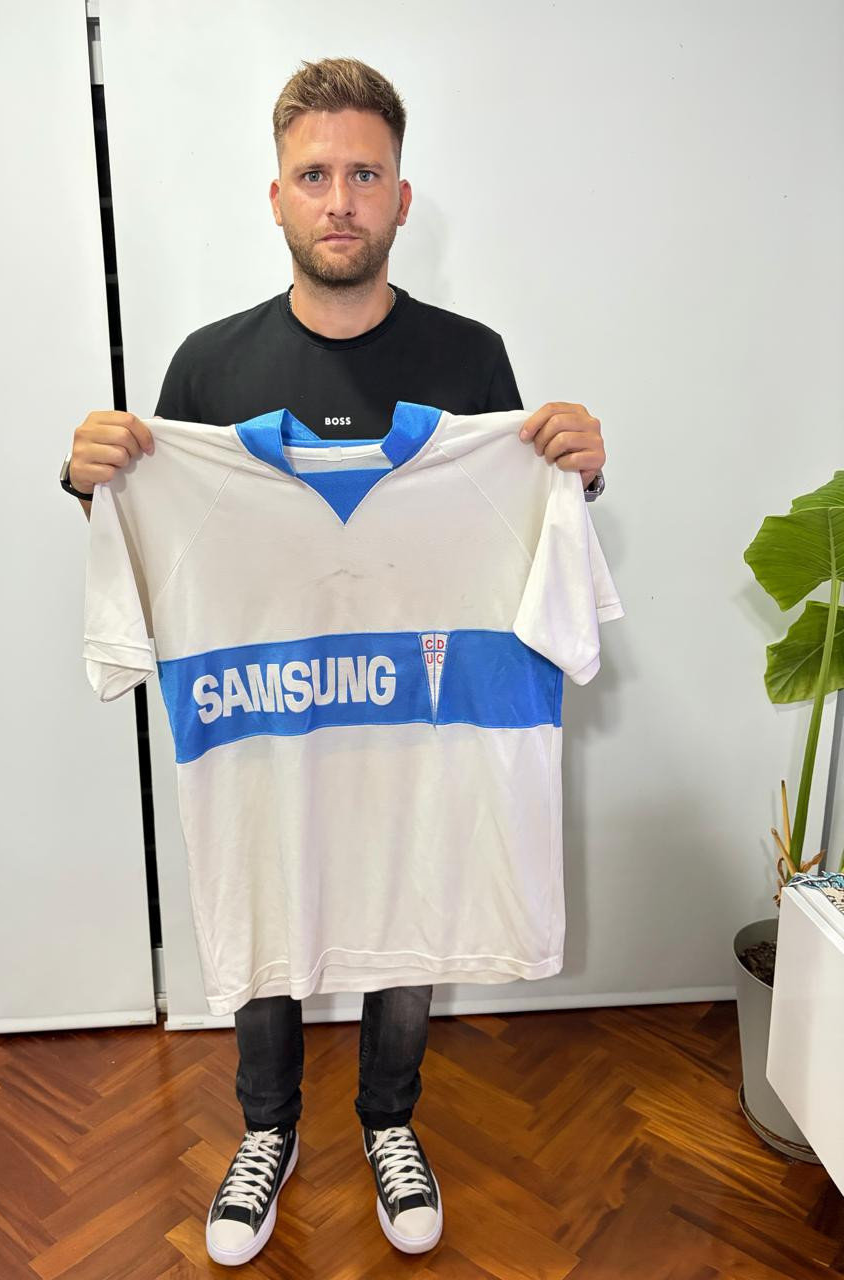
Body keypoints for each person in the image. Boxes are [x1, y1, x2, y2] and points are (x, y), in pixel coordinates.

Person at [64, 57, 607, 1267]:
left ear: (402, 197)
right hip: (267, 715)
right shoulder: (207, 369)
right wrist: (89, 481)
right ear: (277, 197)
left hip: (420, 721)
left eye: (366, 174)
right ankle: (267, 1127)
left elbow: (522, 527)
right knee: (264, 873)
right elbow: (158, 530)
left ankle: (388, 1117)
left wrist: (579, 474)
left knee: (408, 872)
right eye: (315, 175)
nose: (341, 199)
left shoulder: (472, 359)